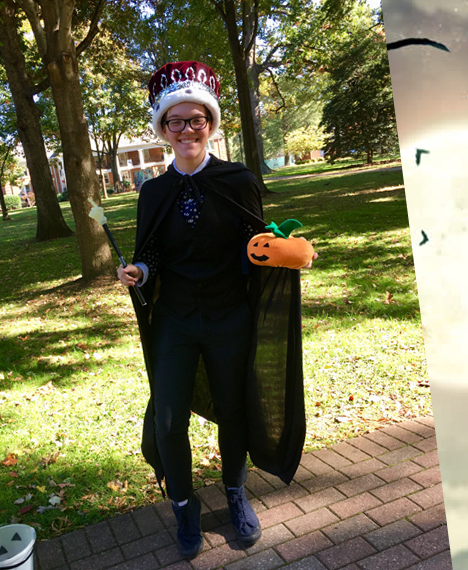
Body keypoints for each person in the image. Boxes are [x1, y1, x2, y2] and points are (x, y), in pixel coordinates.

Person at [117, 61, 316, 560]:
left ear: (210, 123)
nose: (186, 130)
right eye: (175, 121)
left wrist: (283, 250)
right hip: (175, 321)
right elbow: (155, 250)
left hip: (229, 316)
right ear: (162, 129)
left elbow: (256, 241)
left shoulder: (237, 179)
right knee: (167, 419)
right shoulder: (153, 191)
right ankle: (183, 504)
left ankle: (234, 491)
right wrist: (141, 269)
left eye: (196, 119)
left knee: (233, 409)